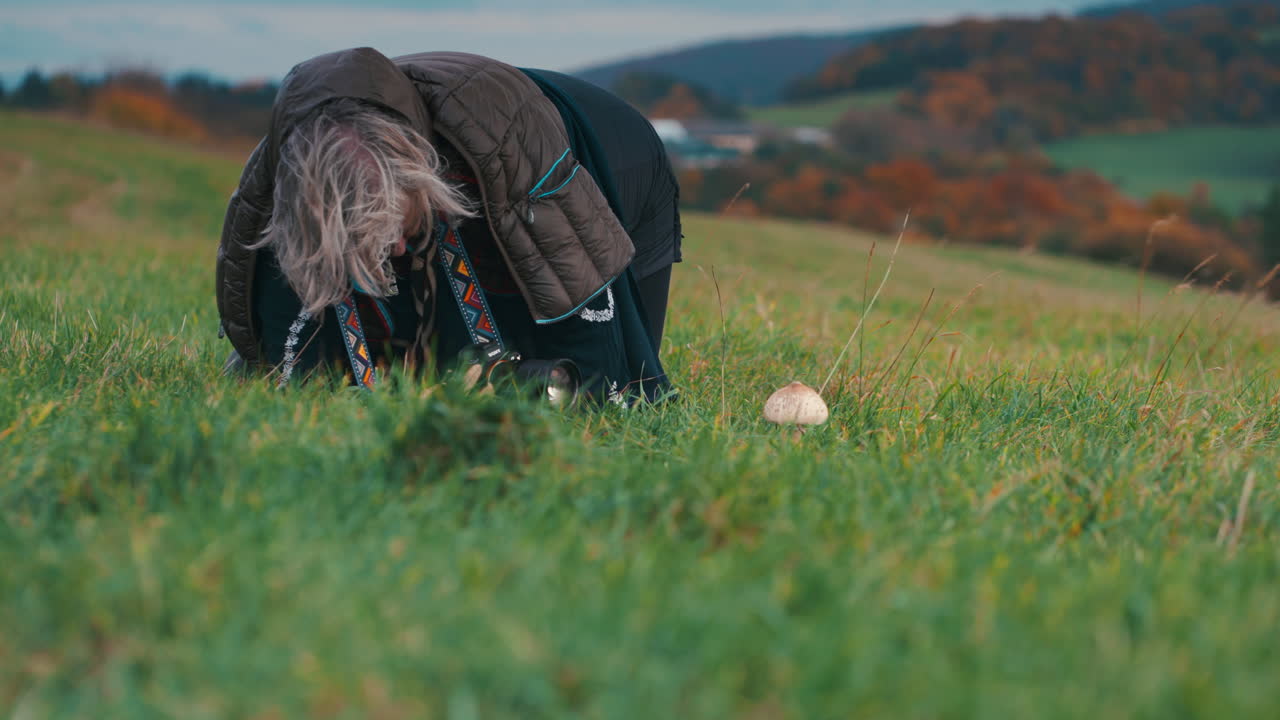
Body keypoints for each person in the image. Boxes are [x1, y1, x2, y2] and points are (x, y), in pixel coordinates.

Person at [215, 47, 680, 403]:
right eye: (369, 237)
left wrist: (584, 387)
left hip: (617, 159)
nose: (394, 247)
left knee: (624, 387)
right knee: (422, 360)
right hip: (465, 168)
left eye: (390, 225)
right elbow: (277, 340)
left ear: (417, 173)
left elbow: (588, 325)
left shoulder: (507, 147)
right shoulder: (284, 177)